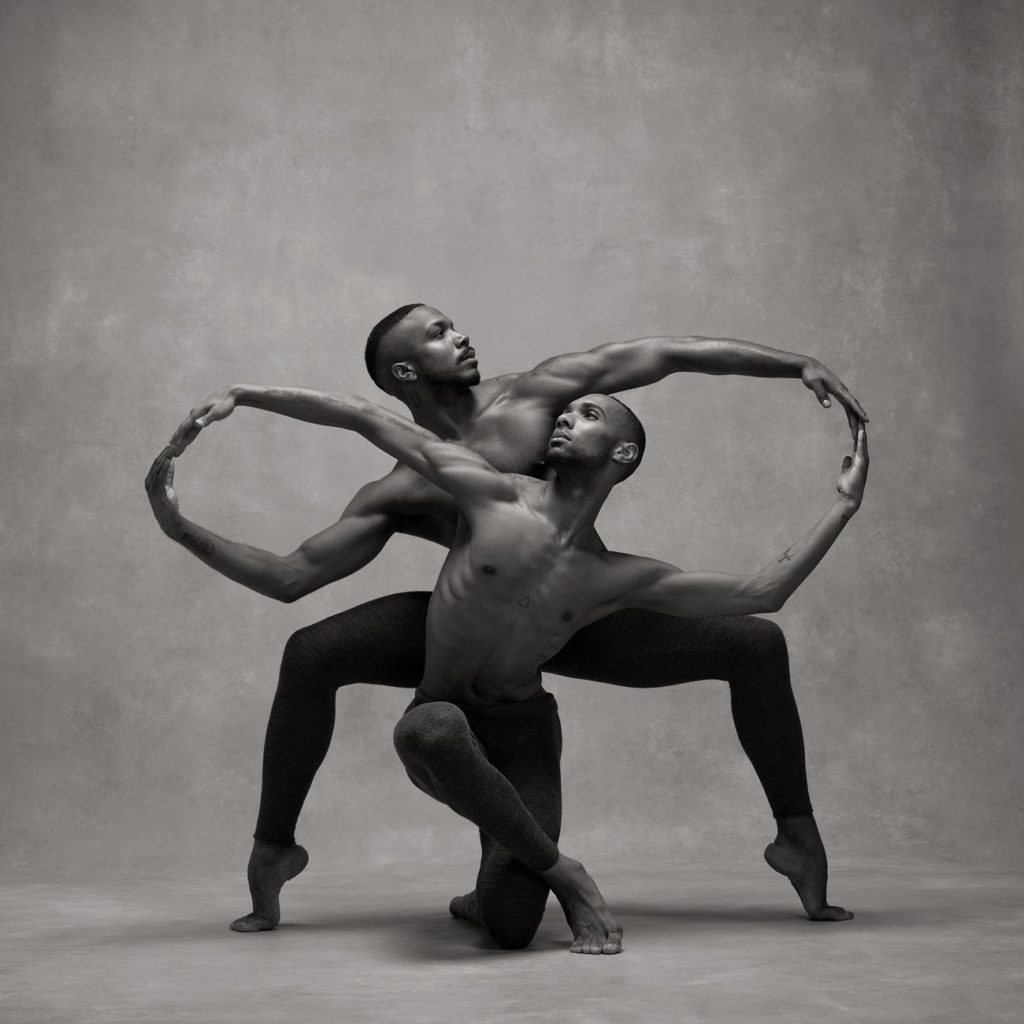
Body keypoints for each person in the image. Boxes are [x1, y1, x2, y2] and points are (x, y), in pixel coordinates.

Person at [146, 304, 870, 932]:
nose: (461, 337)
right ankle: (276, 847)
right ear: (406, 371)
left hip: (574, 611)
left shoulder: (535, 401)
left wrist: (795, 365)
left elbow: (663, 355)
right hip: (463, 623)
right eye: (439, 332)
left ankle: (795, 837)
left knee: (753, 642)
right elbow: (293, 572)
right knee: (312, 653)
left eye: (454, 325)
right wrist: (229, 428)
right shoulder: (407, 484)